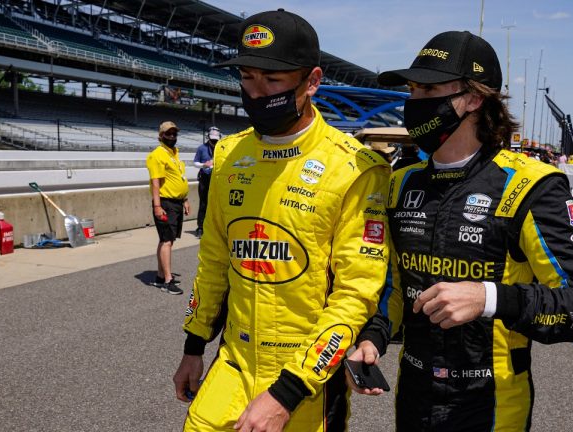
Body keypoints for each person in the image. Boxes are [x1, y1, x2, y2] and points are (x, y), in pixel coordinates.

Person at [348, 31, 573, 431]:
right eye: (412, 89)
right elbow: (394, 285)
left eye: (429, 88)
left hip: (490, 404)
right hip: (413, 396)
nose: (415, 102)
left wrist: (490, 298)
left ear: (475, 99)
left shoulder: (531, 185)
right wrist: (373, 337)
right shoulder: (400, 183)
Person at [172, 9, 391, 432]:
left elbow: (356, 295)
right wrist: (194, 345)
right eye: (247, 77)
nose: (256, 92)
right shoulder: (229, 155)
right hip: (233, 361)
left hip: (305, 379)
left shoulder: (355, 169)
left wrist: (287, 393)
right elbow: (215, 263)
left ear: (312, 81)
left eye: (272, 80)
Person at [146, 121, 189, 295]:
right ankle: (168, 280)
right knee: (167, 241)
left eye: (174, 134)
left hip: (176, 203)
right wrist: (157, 206)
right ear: (161, 135)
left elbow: (178, 178)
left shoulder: (174, 153)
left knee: (166, 239)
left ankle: (159, 276)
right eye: (168, 134)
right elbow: (156, 183)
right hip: (165, 203)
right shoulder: (157, 155)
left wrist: (184, 199)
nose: (172, 137)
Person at [193, 126, 221, 238]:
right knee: (203, 203)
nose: (214, 142)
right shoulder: (201, 148)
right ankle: (200, 227)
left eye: (216, 140)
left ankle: (214, 228)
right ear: (208, 137)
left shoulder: (221, 149)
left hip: (216, 179)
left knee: (215, 205)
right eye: (212, 139)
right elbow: (195, 163)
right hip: (204, 179)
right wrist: (204, 165)